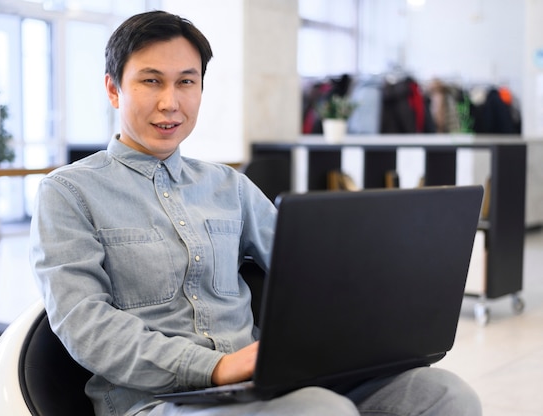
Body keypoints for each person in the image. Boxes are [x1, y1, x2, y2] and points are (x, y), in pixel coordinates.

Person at [30, 10, 482, 416]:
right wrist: (216, 366)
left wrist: (392, 295)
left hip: (260, 382)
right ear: (113, 89)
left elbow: (314, 274)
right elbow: (83, 324)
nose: (171, 102)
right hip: (157, 399)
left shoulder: (230, 186)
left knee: (443, 395)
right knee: (318, 411)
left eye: (186, 81)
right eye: (151, 81)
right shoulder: (68, 193)